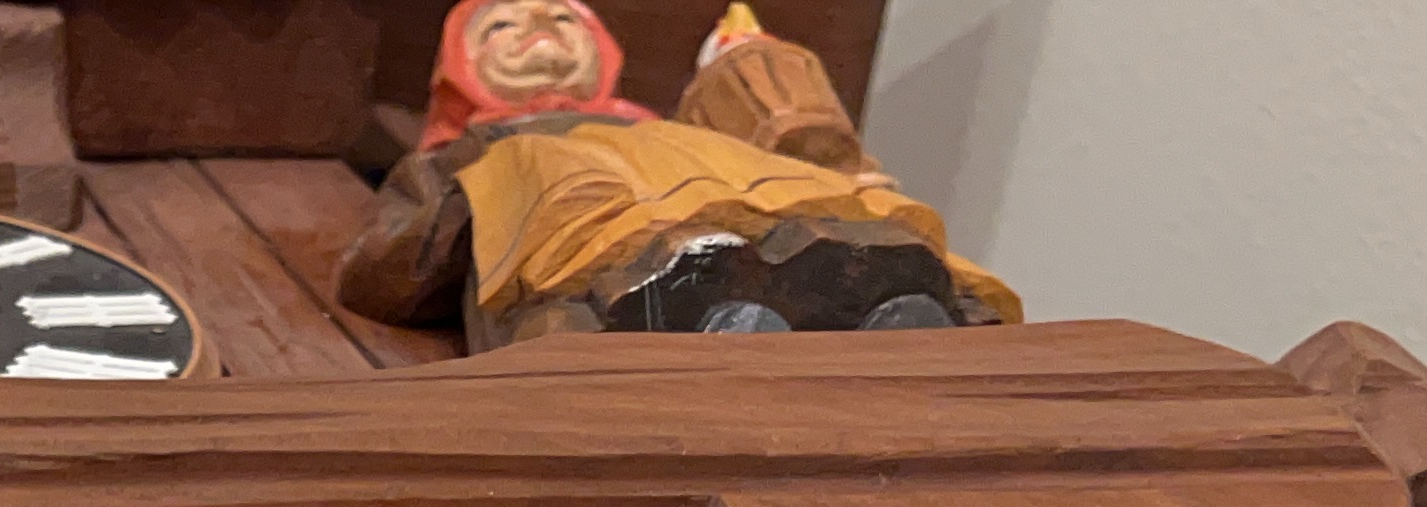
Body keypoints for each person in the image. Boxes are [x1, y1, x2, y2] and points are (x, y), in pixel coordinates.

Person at [342, 2, 1020, 349]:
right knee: (548, 176)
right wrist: (448, 202)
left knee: (768, 185)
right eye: (501, 26)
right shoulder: (481, 149)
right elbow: (385, 263)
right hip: (592, 231)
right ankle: (708, 314)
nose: (539, 26)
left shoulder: (664, 127)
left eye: (563, 18)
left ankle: (881, 293)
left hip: (702, 189)